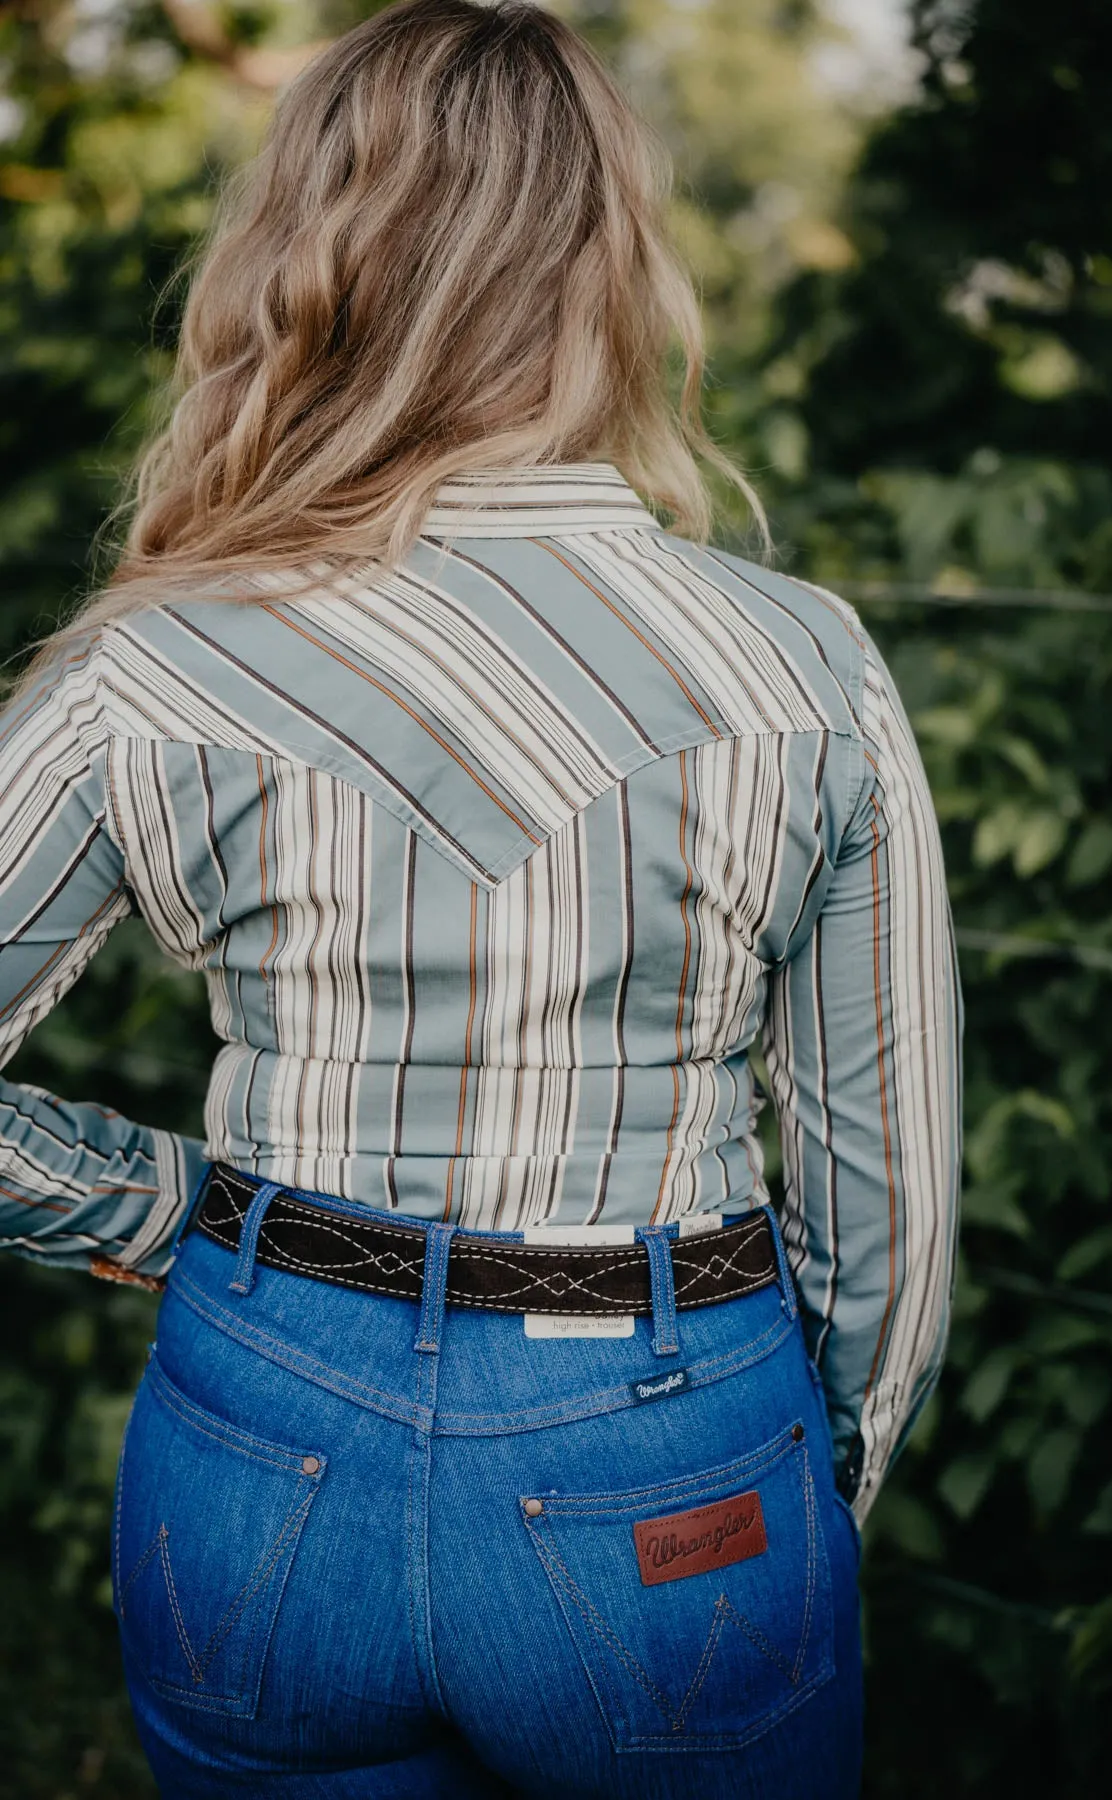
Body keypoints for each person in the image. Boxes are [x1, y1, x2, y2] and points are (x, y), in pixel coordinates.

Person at [0, 2, 963, 1794]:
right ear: (612, 263)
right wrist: (814, 1476)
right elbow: (882, 1177)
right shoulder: (800, 663)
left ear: (302, 258)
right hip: (671, 1446)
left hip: (256, 1426)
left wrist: (158, 1209)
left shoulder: (159, 668)